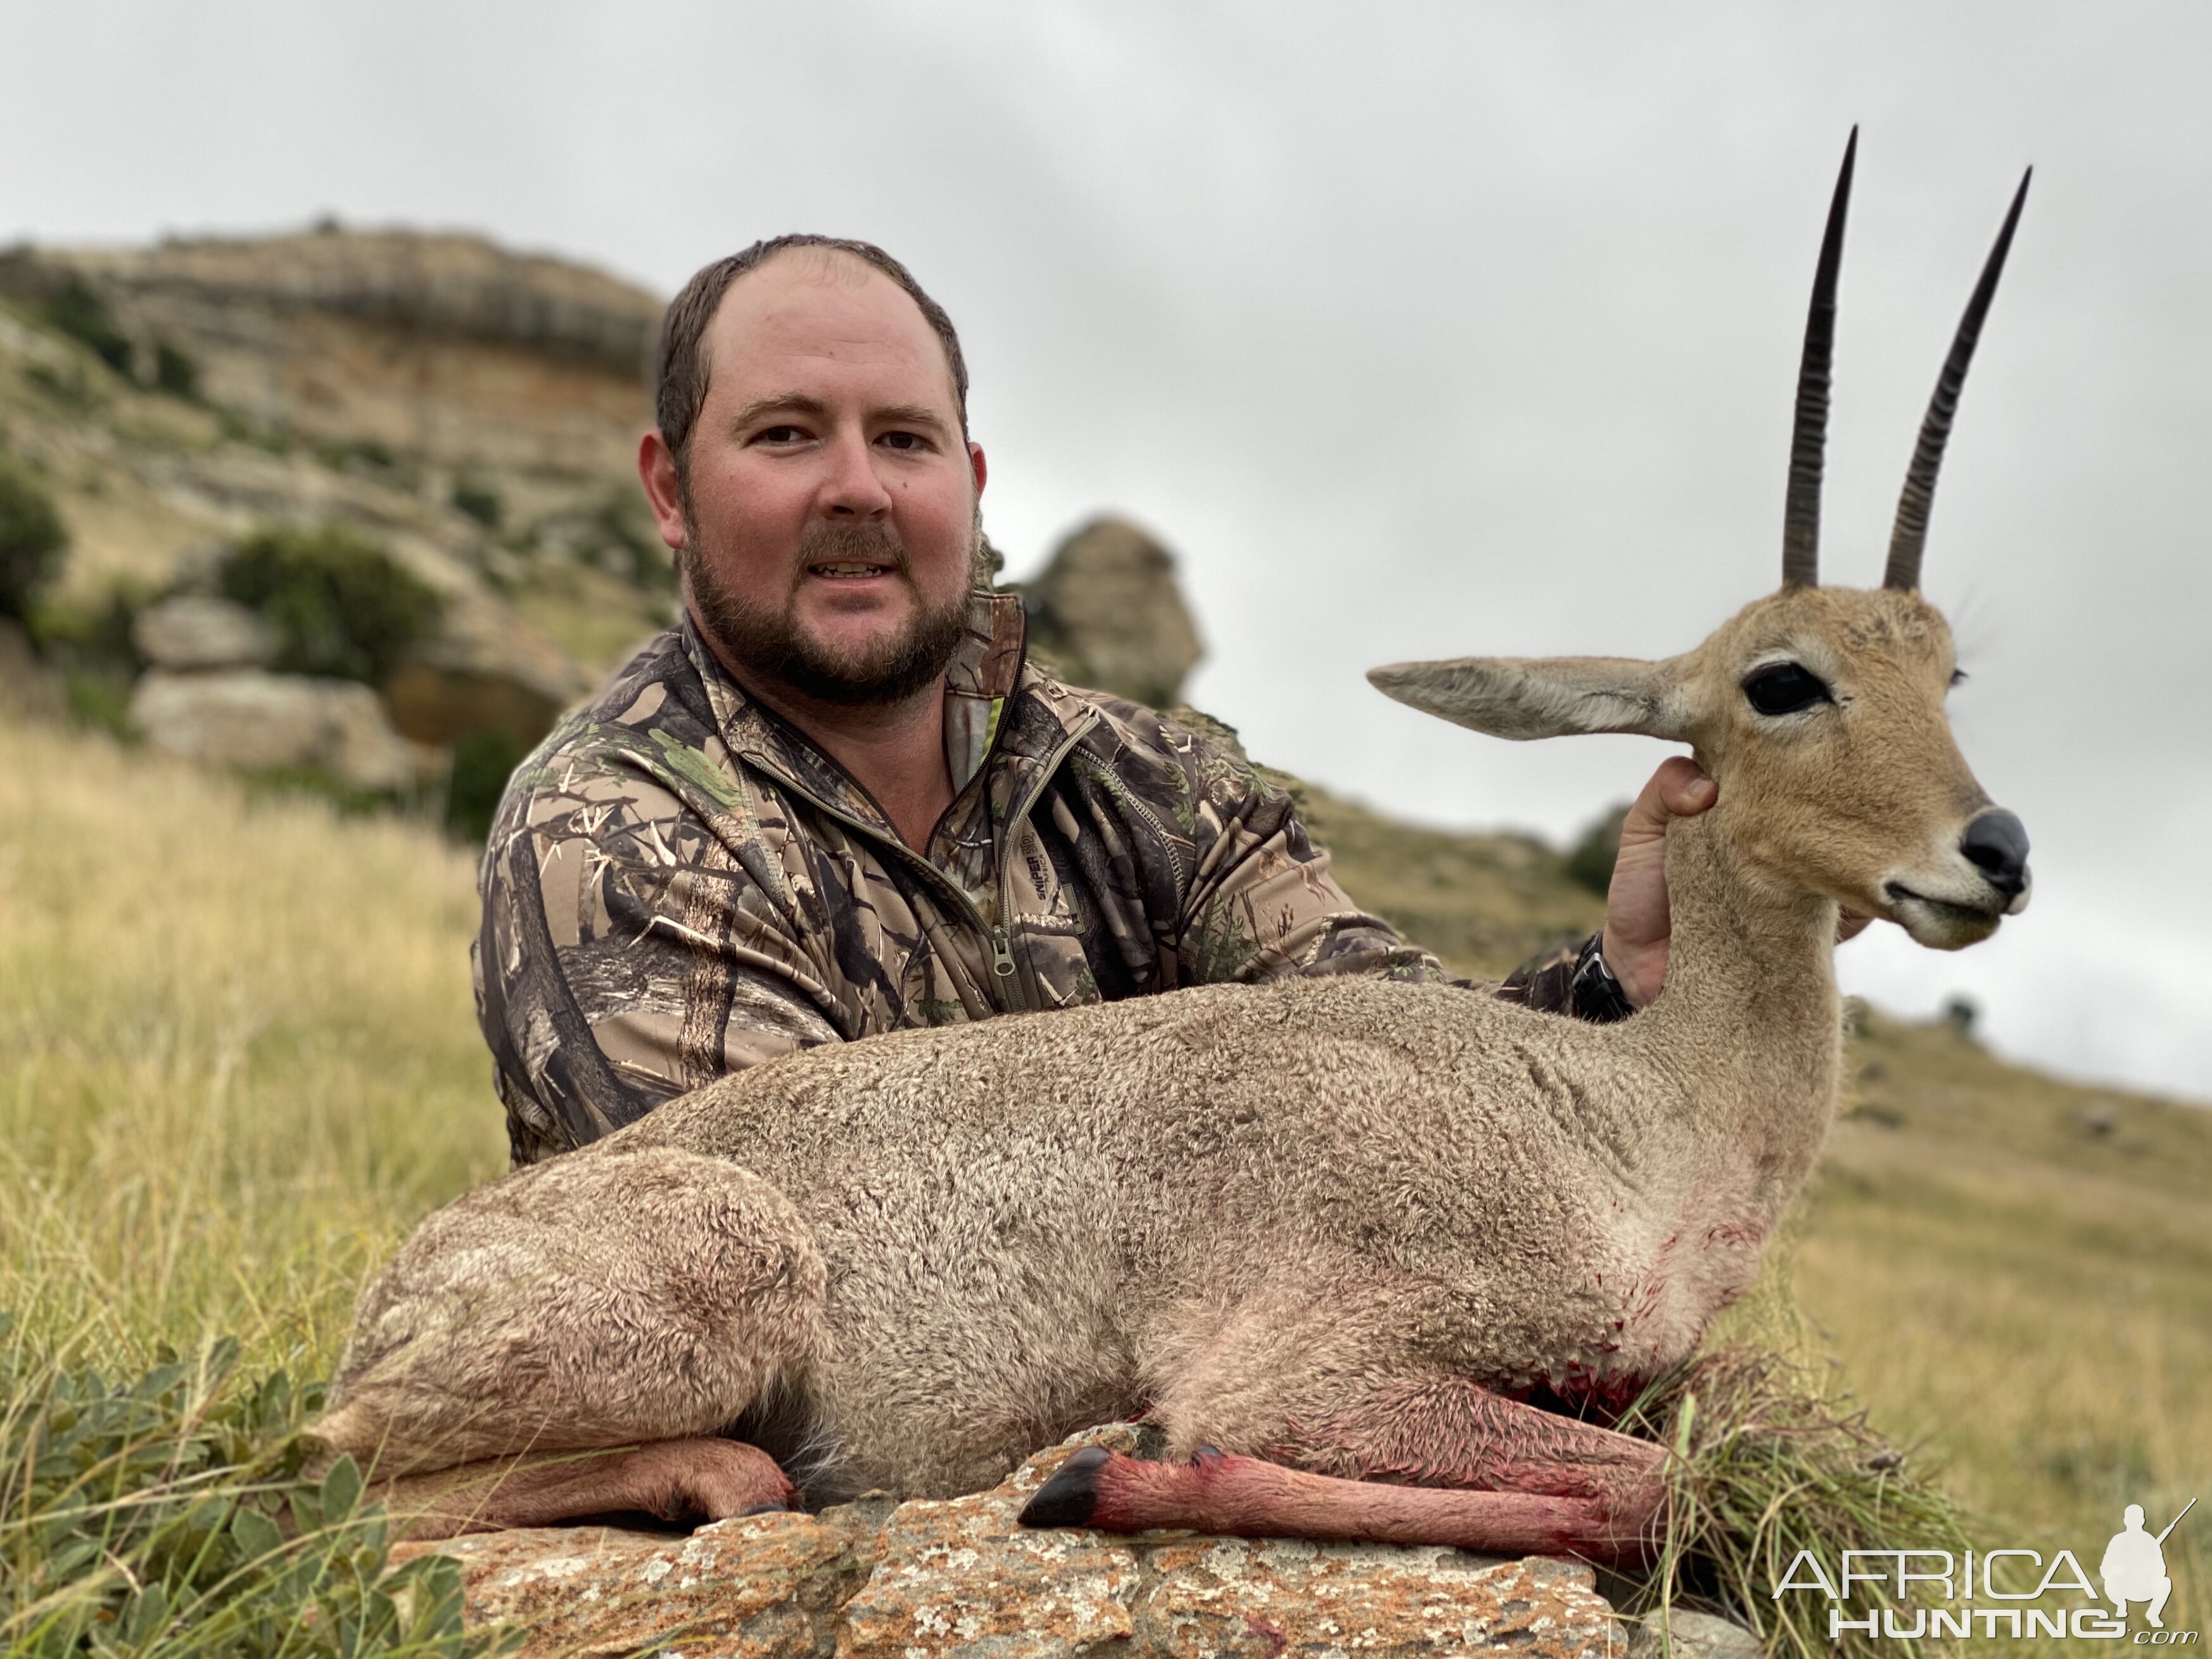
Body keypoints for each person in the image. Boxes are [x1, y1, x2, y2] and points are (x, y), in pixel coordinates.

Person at [474, 234, 1720, 1166]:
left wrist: (1629, 975)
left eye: (905, 440)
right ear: (669, 490)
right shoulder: (607, 837)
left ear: (968, 483)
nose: (858, 488)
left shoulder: (1148, 785)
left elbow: (1412, 1064)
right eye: (788, 435)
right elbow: (815, 1281)